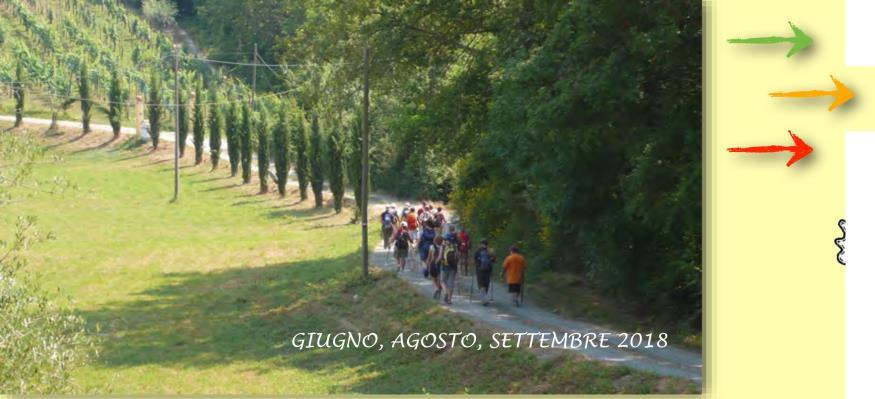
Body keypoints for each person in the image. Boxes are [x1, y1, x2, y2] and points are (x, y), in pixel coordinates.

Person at [474, 240, 496, 305]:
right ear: (487, 244)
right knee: (486, 283)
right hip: (488, 270)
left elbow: (475, 259)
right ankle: (484, 298)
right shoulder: (490, 251)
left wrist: (476, 263)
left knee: (481, 284)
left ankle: (484, 298)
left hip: (479, 269)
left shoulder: (478, 251)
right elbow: (494, 260)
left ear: (481, 244)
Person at [439, 236, 459, 305]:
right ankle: (449, 300)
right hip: (453, 267)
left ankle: (445, 293)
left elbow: (440, 256)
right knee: (451, 284)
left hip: (445, 266)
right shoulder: (455, 247)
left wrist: (437, 262)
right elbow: (457, 257)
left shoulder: (443, 246)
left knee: (442, 281)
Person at [426, 235, 445, 300]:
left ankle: (436, 288)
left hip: (433, 263)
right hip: (440, 264)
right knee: (439, 278)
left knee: (433, 277)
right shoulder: (443, 247)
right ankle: (440, 291)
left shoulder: (431, 247)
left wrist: (427, 264)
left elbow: (429, 256)